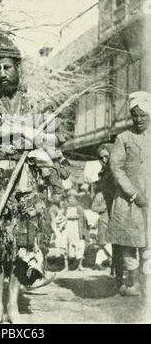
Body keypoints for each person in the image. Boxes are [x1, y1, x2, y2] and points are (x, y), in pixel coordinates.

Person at [0, 37, 67, 323]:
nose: (2, 73)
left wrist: (39, 143)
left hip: (25, 182)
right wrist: (20, 133)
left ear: (17, 68)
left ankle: (13, 307)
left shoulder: (34, 103)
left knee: (23, 244)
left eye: (7, 67)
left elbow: (53, 139)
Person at [109, 91, 151, 296]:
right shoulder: (123, 138)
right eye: (135, 115)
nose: (139, 119)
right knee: (130, 241)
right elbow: (116, 168)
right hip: (129, 199)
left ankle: (147, 282)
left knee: (148, 242)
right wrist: (133, 194)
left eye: (143, 115)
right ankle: (132, 282)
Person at [92, 144, 123, 281]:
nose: (104, 160)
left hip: (120, 208)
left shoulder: (118, 169)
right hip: (109, 209)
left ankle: (122, 275)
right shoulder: (103, 172)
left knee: (123, 244)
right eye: (101, 158)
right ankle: (117, 274)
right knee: (113, 243)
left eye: (106, 156)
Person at [64, 189, 88, 271]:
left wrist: (83, 232)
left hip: (77, 229)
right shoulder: (65, 208)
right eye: (69, 198)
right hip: (68, 229)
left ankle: (80, 265)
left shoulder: (79, 208)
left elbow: (82, 220)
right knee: (67, 245)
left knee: (79, 246)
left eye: (73, 198)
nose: (71, 200)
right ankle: (66, 266)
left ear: (76, 199)